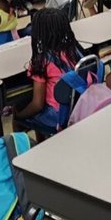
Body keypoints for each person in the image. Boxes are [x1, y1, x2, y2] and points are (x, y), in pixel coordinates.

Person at [14, 7, 87, 135]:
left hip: (58, 116)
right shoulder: (74, 51)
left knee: (19, 116)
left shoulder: (42, 61)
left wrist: (19, 115)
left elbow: (37, 105)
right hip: (80, 107)